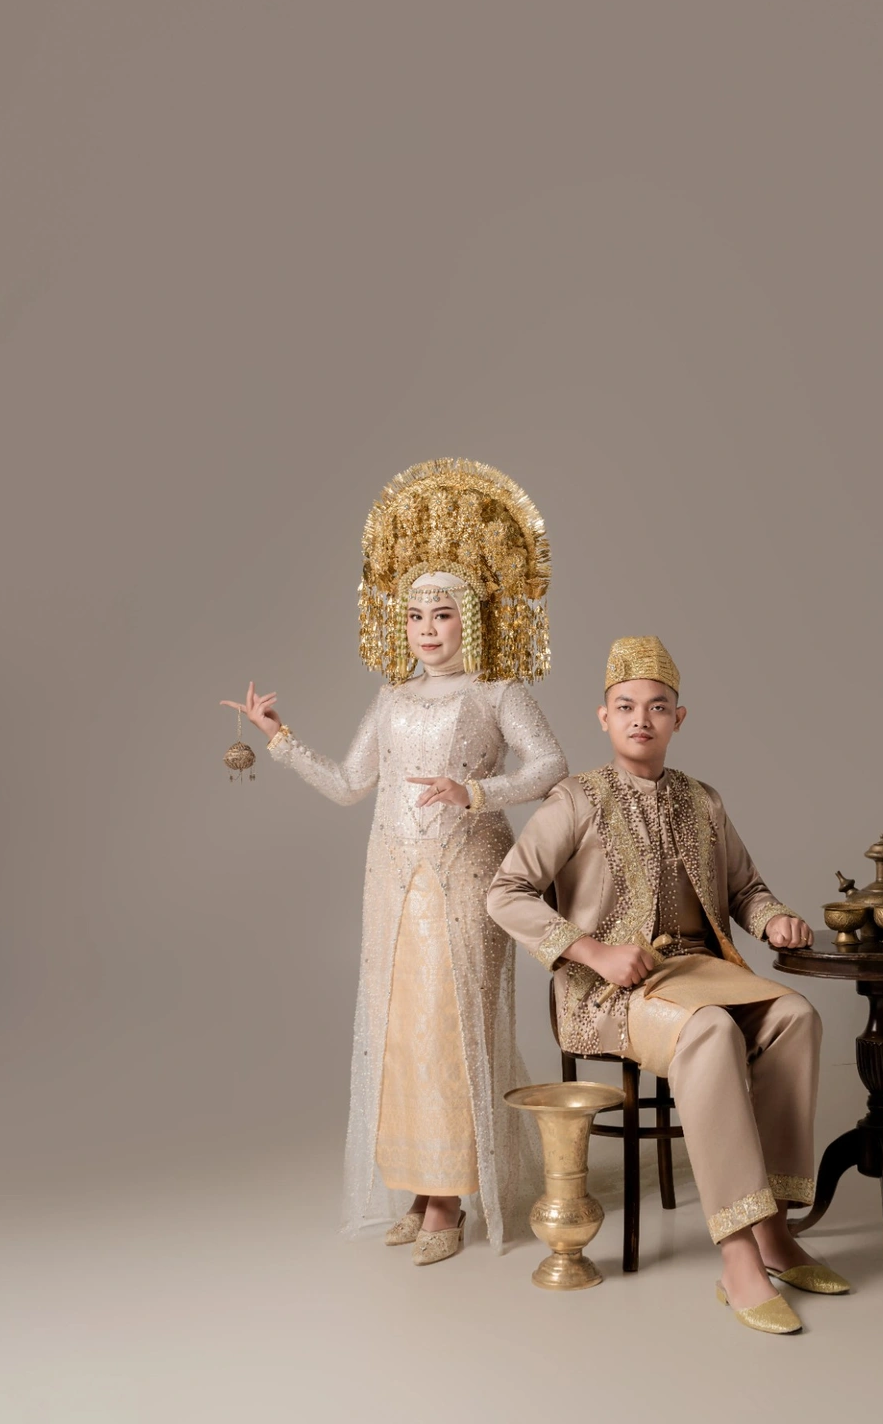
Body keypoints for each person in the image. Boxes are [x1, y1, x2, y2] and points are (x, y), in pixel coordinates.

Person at [222, 459, 566, 1264]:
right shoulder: (392, 698)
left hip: (468, 877)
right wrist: (278, 737)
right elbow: (351, 785)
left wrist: (476, 792)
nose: (426, 630)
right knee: (402, 1032)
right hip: (392, 885)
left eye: (441, 615)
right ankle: (417, 1187)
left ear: (470, 620)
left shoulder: (497, 690)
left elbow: (551, 765)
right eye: (414, 616)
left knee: (451, 1028)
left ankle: (451, 1197)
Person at [486, 636, 849, 1333]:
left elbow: (746, 889)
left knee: (796, 1017)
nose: (640, 719)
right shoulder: (576, 800)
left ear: (678, 719)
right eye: (625, 706)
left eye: (657, 707)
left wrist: (774, 920)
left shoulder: (703, 801)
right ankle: (738, 1255)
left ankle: (774, 1231)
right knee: (709, 1032)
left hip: (701, 974)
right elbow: (506, 892)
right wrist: (592, 952)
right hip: (607, 993)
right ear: (604, 717)